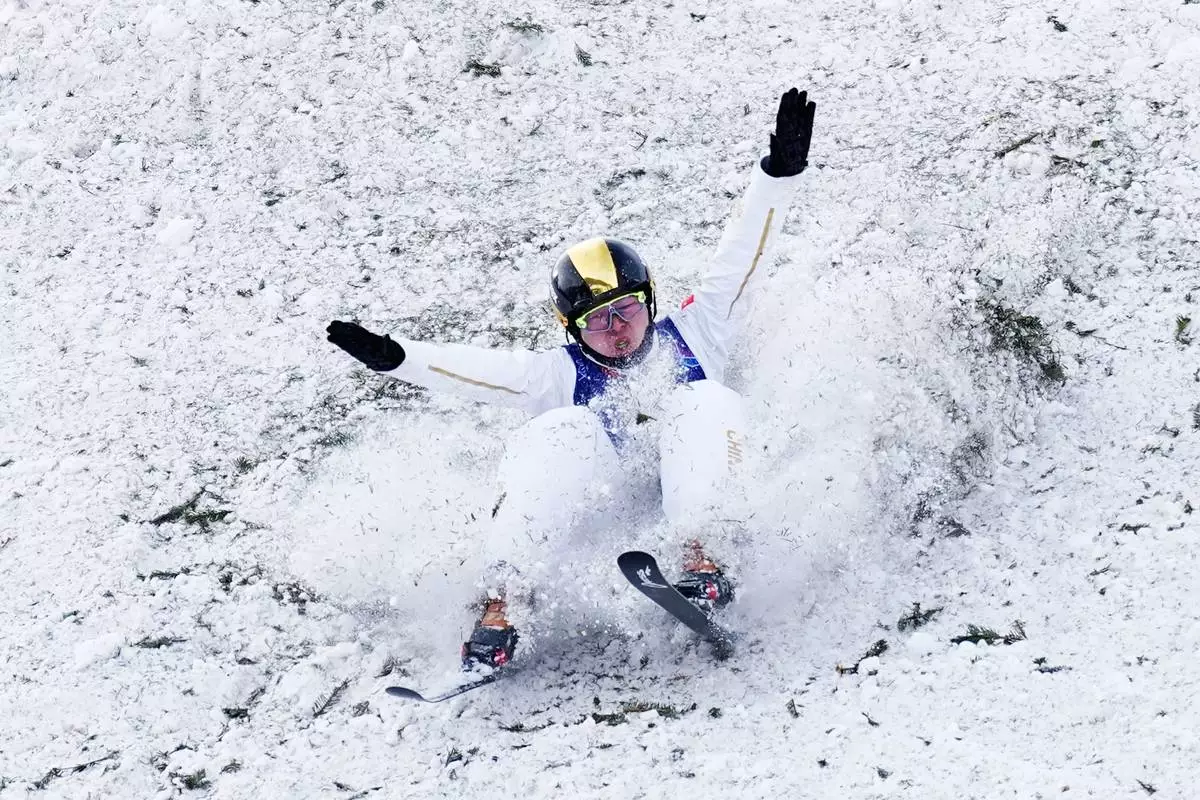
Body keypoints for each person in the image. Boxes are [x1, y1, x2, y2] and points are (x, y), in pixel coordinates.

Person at [327, 88, 816, 669]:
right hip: (608, 521)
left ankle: (703, 562)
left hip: (703, 496)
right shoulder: (554, 373)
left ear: (650, 302)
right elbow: (472, 372)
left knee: (703, 399)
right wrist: (396, 357)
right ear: (572, 329)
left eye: (628, 310)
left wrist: (778, 175)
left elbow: (744, 255)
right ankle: (502, 608)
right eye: (597, 321)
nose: (617, 330)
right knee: (557, 430)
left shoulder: (701, 327)